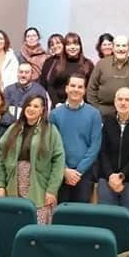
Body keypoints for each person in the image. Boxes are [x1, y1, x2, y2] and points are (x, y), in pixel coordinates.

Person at [0, 95, 65, 224]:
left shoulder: (51, 131)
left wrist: (52, 189)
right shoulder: (13, 128)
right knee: (14, 226)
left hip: (40, 189)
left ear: (42, 110)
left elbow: (59, 161)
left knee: (37, 230)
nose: (31, 109)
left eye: (36, 106)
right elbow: (0, 153)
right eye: (29, 105)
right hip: (13, 186)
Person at [97, 87, 129, 222]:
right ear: (114, 102)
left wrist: (122, 175)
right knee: (105, 221)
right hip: (107, 179)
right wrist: (111, 176)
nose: (123, 103)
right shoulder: (107, 121)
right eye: (120, 99)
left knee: (126, 223)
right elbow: (102, 152)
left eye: (127, 100)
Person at [51, 73, 102, 202]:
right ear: (66, 88)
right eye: (73, 86)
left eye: (80, 87)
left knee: (81, 214)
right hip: (60, 171)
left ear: (84, 90)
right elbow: (51, 145)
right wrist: (65, 170)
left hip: (84, 174)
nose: (76, 89)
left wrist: (79, 171)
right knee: (62, 213)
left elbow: (95, 146)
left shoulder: (94, 114)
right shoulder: (54, 114)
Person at [87, 35, 129, 117]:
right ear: (113, 48)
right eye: (118, 46)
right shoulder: (102, 64)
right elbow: (91, 89)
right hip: (102, 111)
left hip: (128, 112)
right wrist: (97, 110)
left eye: (124, 46)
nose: (121, 49)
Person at [41, 32, 94, 107]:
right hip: (59, 105)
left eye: (75, 44)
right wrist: (57, 103)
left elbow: (91, 87)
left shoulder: (88, 64)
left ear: (80, 47)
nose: (72, 47)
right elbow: (50, 85)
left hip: (81, 106)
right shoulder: (57, 63)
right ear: (65, 47)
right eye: (69, 45)